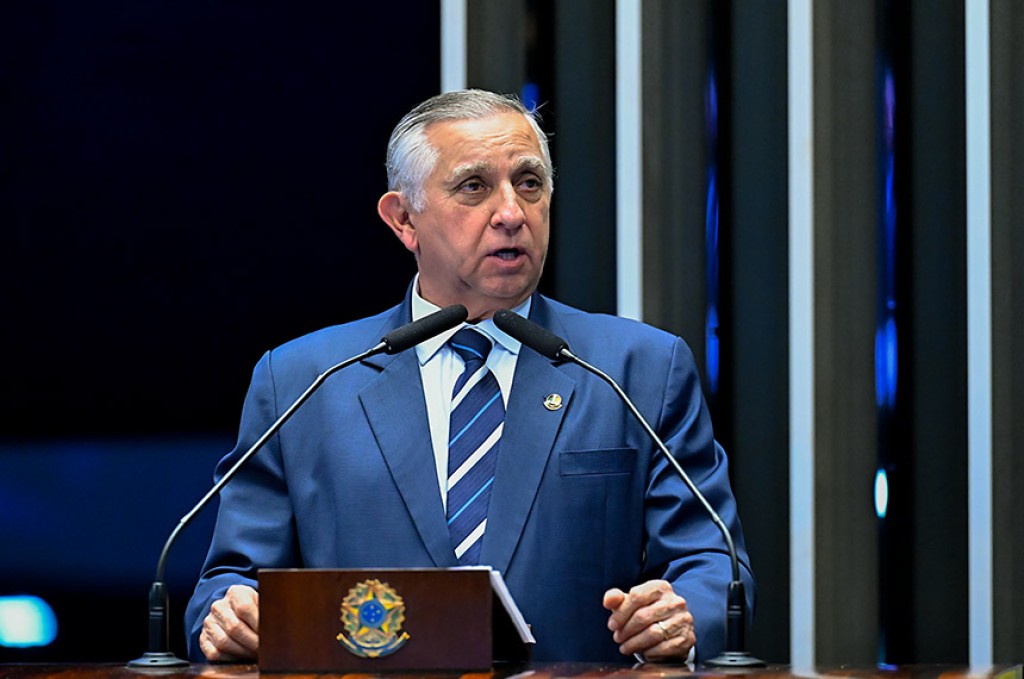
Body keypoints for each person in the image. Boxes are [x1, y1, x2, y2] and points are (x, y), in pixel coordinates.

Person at [185, 89, 754, 664]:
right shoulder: (305, 380)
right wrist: (231, 616)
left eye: (529, 184)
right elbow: (229, 582)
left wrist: (683, 613)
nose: (511, 213)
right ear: (403, 219)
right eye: (474, 187)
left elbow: (713, 565)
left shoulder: (636, 369)